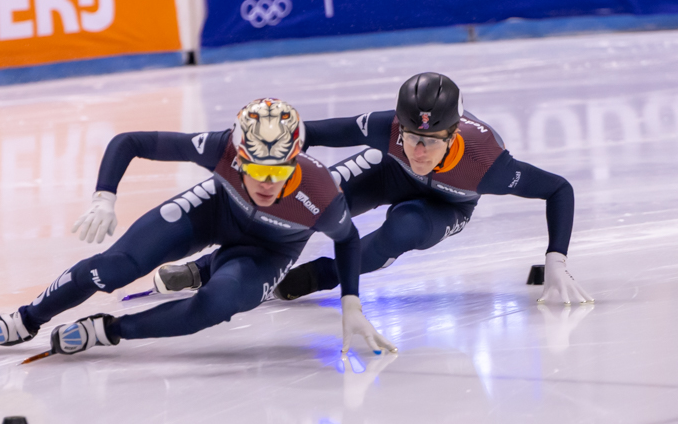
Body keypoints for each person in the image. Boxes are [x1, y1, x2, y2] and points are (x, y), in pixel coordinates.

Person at [0, 99, 396, 359]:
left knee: (215, 304)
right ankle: (25, 319)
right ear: (237, 157)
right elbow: (130, 141)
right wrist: (103, 196)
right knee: (113, 268)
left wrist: (351, 301)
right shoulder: (221, 148)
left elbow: (348, 239)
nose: (266, 183)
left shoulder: (320, 193)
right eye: (254, 169)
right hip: (215, 211)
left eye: (278, 171)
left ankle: (108, 330)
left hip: (269, 252)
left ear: (295, 160)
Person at [164, 73, 593, 305]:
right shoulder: (388, 129)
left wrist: (555, 260)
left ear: (453, 135)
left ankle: (316, 276)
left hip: (446, 204)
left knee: (402, 229)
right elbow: (312, 133)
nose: (419, 150)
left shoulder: (488, 165)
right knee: (306, 200)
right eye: (410, 136)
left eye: (430, 141)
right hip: (390, 172)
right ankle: (205, 268)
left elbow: (559, 189)